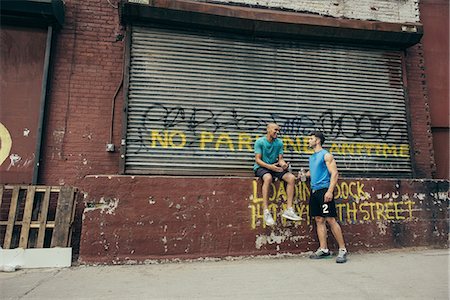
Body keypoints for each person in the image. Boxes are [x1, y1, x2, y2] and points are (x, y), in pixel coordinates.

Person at [302, 131, 348, 263]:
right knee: (318, 219)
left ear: (317, 141)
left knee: (330, 219)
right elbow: (314, 171)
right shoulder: (312, 157)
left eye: (310, 139)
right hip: (314, 191)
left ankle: (342, 250)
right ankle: (323, 249)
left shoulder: (326, 155)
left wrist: (330, 191)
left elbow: (334, 173)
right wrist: (304, 175)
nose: (308, 141)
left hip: (324, 191)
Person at [253, 123, 301, 226]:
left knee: (291, 178)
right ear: (268, 130)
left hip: (274, 166)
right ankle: (266, 211)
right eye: (275, 130)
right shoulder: (260, 142)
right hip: (261, 167)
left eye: (278, 130)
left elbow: (280, 159)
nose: (277, 132)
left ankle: (289, 209)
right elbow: (257, 160)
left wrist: (284, 165)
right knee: (268, 177)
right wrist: (270, 167)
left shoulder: (279, 143)